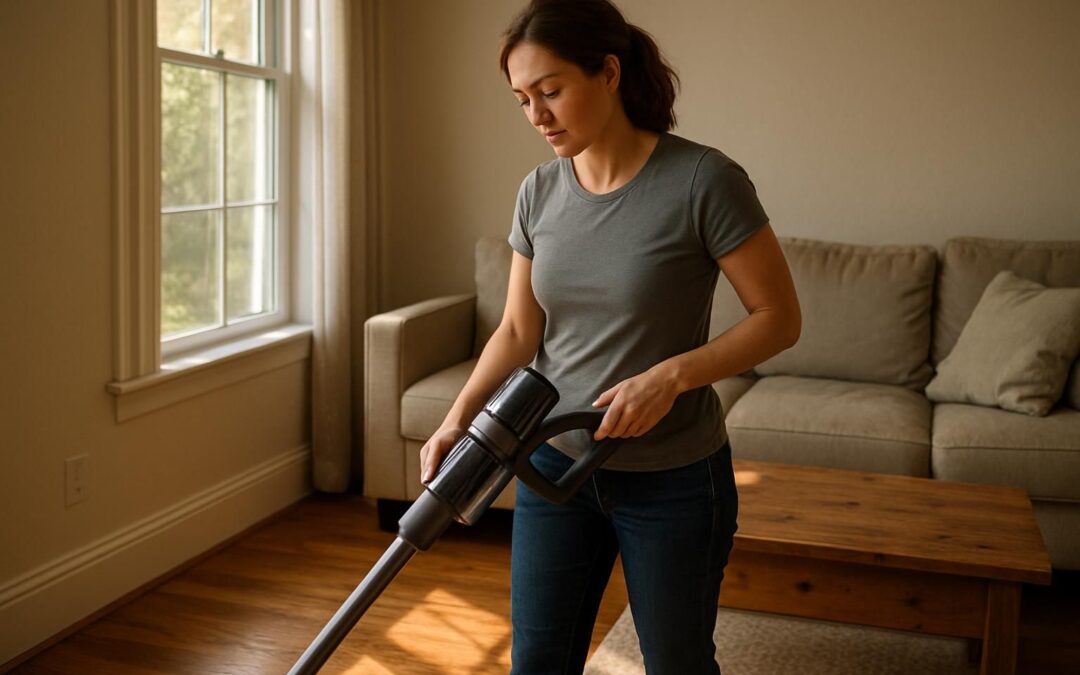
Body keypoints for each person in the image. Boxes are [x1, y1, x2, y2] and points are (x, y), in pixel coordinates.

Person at [419, 0, 801, 672]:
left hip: (672, 477)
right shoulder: (538, 192)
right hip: (550, 464)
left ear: (610, 74)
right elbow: (516, 329)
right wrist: (458, 419)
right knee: (538, 658)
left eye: (551, 90)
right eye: (522, 100)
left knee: (676, 659)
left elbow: (779, 317)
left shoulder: (703, 181)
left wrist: (672, 375)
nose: (537, 115)